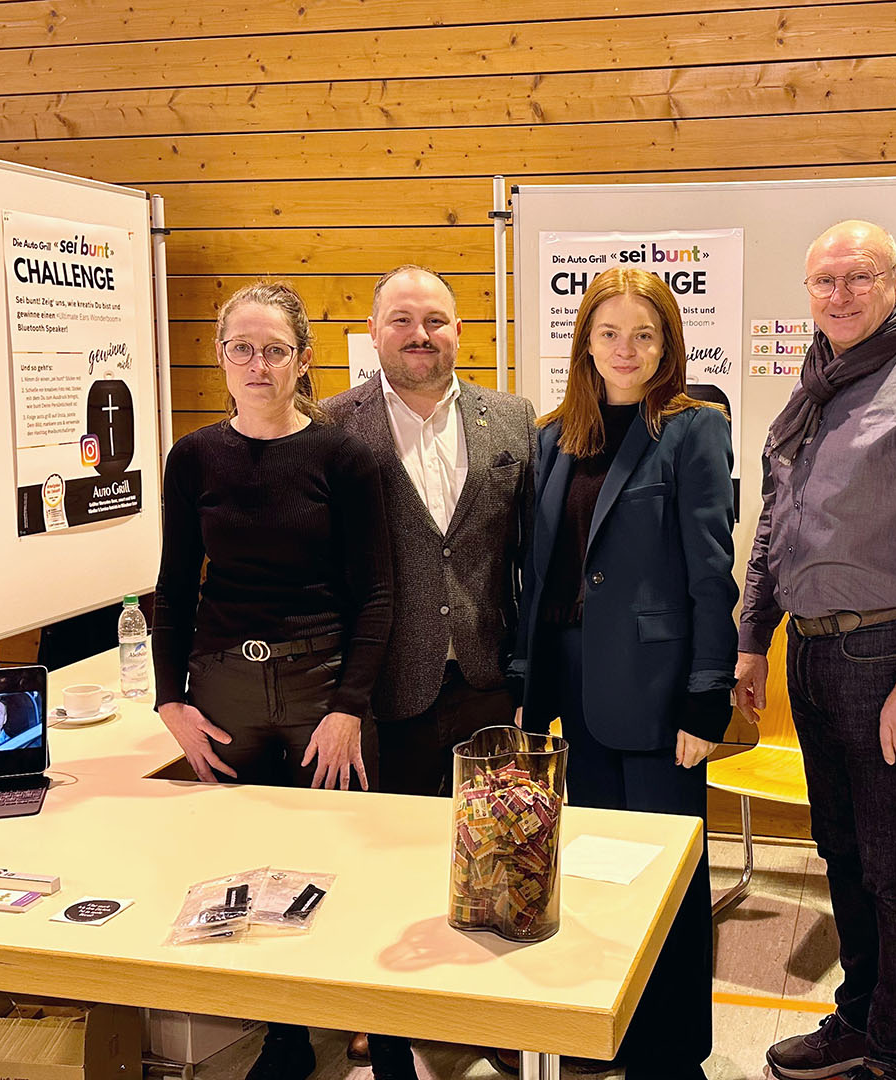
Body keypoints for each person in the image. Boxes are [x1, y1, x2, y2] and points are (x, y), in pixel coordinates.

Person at [738, 220, 896, 1080]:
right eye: (823, 282)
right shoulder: (817, 383)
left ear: (895, 284)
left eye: (858, 278)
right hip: (813, 660)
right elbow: (778, 522)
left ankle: (895, 1058)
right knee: (841, 856)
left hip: (891, 662)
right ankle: (858, 1020)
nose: (839, 296)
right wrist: (753, 637)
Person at [151, 280, 392, 1080]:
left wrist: (349, 706)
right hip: (222, 690)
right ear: (220, 357)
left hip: (320, 686)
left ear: (303, 360)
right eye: (241, 348)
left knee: (328, 858)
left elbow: (378, 593)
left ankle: (345, 1010)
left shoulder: (346, 457)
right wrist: (170, 700)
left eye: (275, 350)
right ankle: (281, 1036)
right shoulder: (192, 458)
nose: (258, 364)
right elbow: (175, 585)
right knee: (241, 867)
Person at [512, 267, 735, 1080]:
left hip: (657, 691)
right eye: (610, 332)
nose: (626, 348)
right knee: (600, 871)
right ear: (586, 343)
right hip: (571, 685)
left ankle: (673, 1058)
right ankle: (610, 1036)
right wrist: (527, 683)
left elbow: (713, 575)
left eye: (645, 333)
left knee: (668, 884)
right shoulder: (552, 437)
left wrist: (706, 699)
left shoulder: (692, 428)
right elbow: (542, 575)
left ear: (668, 344)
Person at [326, 266, 535, 1080]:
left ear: (460, 331)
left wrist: (529, 678)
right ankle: (387, 1021)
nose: (421, 334)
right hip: (386, 685)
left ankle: (488, 1011)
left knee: (498, 854)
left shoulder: (511, 418)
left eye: (437, 320)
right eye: (402, 320)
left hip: (488, 677)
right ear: (375, 333)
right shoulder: (332, 424)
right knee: (393, 855)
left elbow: (529, 556)